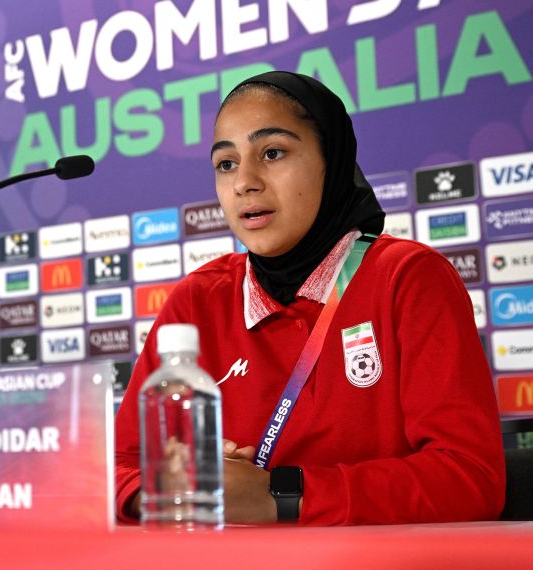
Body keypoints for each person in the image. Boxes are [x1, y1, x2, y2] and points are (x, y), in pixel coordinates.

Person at [114, 71, 505, 525]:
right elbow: (119, 466)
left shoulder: (409, 279)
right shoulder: (197, 299)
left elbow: (470, 478)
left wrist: (278, 495)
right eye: (226, 164)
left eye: (273, 152)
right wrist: (179, 486)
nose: (244, 182)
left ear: (331, 160)